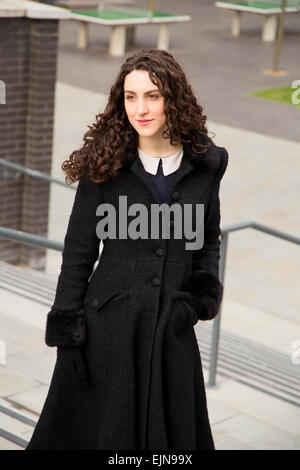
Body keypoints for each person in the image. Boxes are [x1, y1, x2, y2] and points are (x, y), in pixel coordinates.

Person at [26, 48, 229, 450]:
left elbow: (207, 240)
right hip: (107, 335)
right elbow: (79, 253)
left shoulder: (207, 165)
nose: (141, 108)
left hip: (171, 335)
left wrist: (196, 303)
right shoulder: (104, 165)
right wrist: (67, 335)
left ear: (173, 97)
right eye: (131, 96)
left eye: (152, 95)